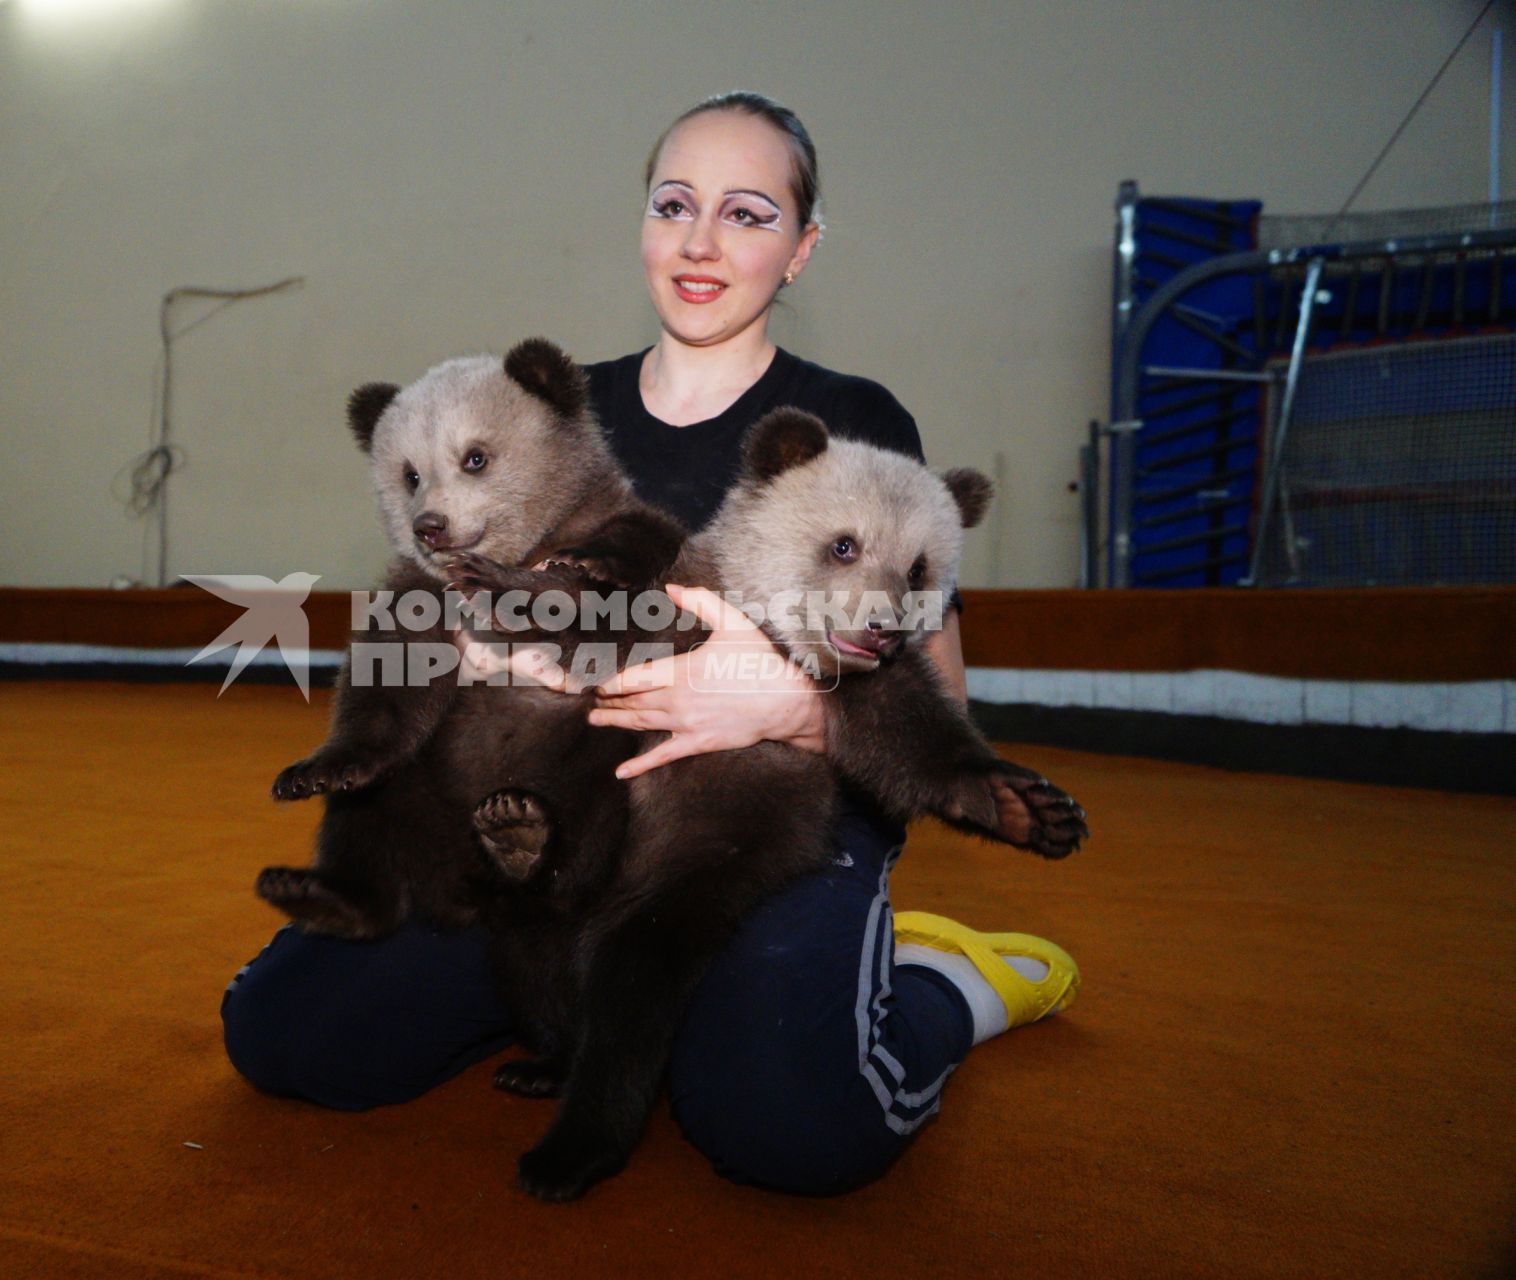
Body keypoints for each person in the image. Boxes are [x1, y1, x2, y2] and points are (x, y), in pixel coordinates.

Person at [222, 91, 1078, 1196]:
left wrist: (783, 703)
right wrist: (465, 660)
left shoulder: (853, 422)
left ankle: (939, 980)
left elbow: (939, 696)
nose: (701, 240)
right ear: (641, 219)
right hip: (537, 829)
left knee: (789, 1126)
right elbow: (416, 619)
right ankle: (556, 996)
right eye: (674, 203)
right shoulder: (541, 412)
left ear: (802, 247)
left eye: (748, 213)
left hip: (749, 830)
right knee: (287, 1035)